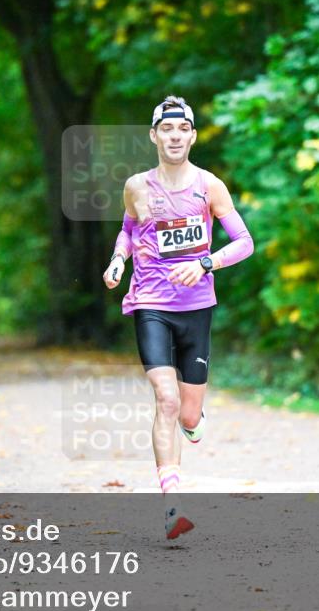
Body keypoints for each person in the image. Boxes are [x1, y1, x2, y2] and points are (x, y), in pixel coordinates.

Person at [103, 96, 253, 540]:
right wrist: (117, 260)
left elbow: (244, 242)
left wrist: (206, 263)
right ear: (154, 136)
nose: (173, 137)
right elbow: (129, 229)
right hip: (150, 302)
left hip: (197, 307)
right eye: (165, 130)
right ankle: (172, 507)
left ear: (191, 136)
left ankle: (193, 423)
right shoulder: (137, 186)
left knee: (188, 414)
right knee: (165, 400)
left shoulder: (209, 187)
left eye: (181, 130)